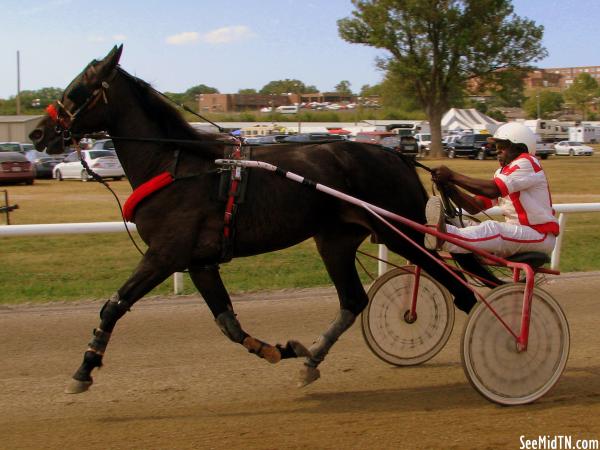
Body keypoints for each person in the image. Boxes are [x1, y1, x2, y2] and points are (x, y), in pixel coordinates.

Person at [424, 122, 559, 259]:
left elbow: (492, 190)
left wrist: (452, 175)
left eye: (502, 147)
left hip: (540, 235)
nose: (497, 151)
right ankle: (442, 229)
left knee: (493, 229)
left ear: (520, 147)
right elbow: (475, 206)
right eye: (496, 147)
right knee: (464, 223)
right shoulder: (502, 173)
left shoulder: (528, 161)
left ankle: (442, 236)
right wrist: (449, 187)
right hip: (521, 234)